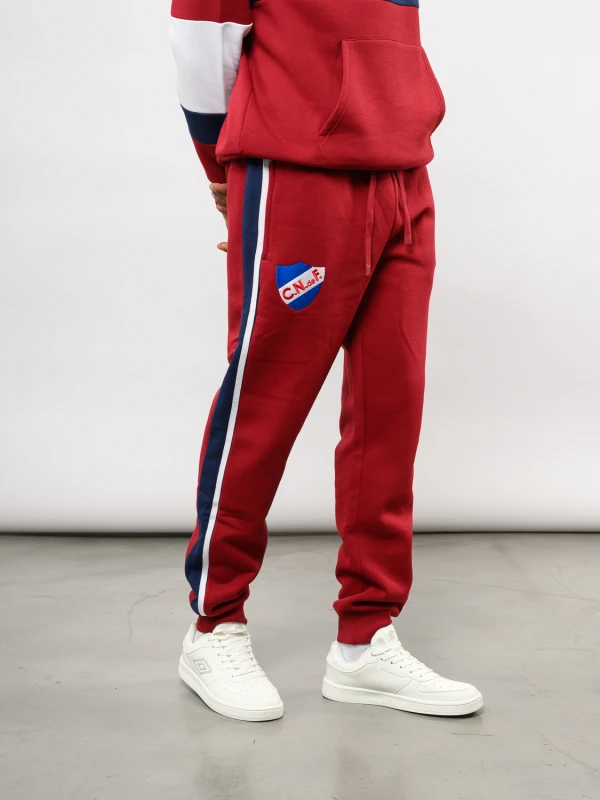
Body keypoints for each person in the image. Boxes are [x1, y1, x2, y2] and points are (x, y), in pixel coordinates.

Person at [170, 0, 483, 722]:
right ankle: (215, 625)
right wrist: (222, 165)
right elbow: (201, 38)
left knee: (389, 409)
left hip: (403, 171)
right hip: (297, 168)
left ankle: (365, 639)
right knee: (264, 400)